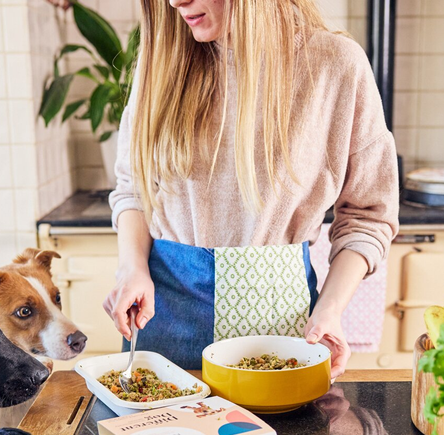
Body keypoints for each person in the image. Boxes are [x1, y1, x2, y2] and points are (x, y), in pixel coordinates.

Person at [104, 0, 398, 377]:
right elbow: (134, 187)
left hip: (286, 330)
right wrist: (132, 269)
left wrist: (330, 309)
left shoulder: (335, 65)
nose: (175, 1)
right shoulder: (162, 60)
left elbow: (368, 216)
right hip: (163, 319)